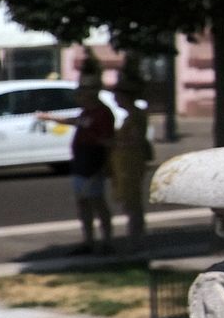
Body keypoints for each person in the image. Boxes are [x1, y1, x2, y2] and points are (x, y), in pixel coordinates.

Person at [39, 90, 117, 253]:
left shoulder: (102, 113)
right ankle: (88, 241)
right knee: (82, 202)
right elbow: (73, 121)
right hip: (80, 161)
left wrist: (105, 165)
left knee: (97, 201)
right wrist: (50, 117)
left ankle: (108, 241)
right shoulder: (85, 112)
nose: (77, 99)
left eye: (80, 96)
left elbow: (108, 142)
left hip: (93, 162)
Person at [108, 78, 154, 247]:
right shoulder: (132, 115)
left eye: (117, 96)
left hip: (131, 163)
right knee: (130, 202)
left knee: (132, 202)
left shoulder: (135, 116)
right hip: (125, 162)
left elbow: (135, 140)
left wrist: (112, 142)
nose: (115, 99)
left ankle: (136, 239)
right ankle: (135, 236)